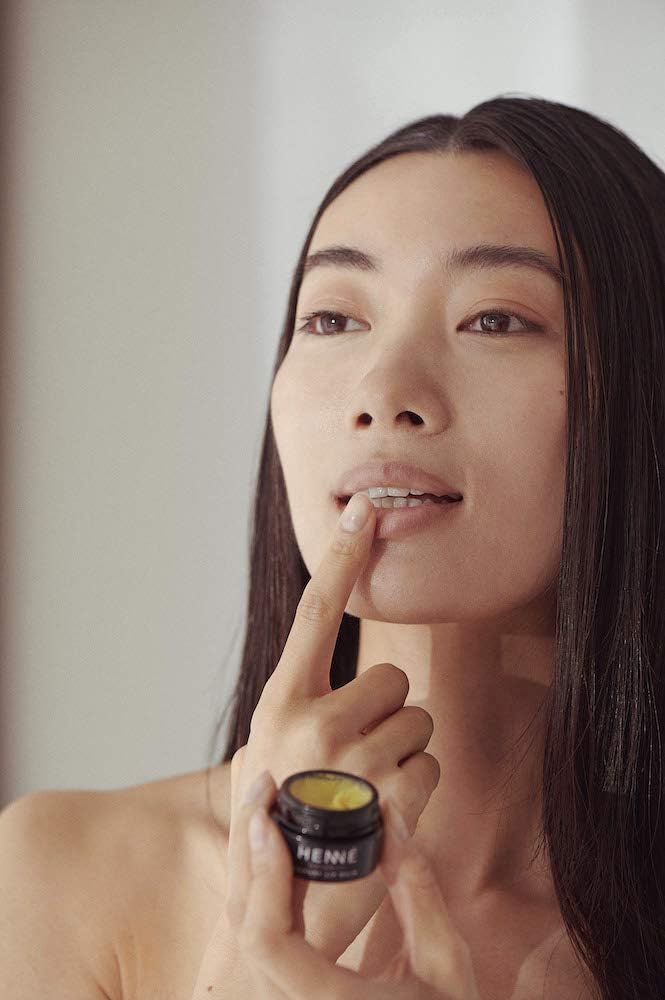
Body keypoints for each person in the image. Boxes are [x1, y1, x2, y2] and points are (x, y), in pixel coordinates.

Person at [1, 94, 664, 999]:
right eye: (333, 319)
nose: (384, 391)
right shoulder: (60, 875)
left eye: (494, 320)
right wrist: (249, 968)